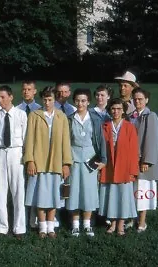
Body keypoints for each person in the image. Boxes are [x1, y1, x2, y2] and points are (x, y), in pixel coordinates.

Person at [24, 86, 72, 238]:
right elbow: (29, 139)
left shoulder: (61, 116)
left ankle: (51, 226)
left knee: (53, 195)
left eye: (50, 99)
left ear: (54, 100)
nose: (47, 102)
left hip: (56, 162)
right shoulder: (34, 115)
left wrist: (66, 163)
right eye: (45, 99)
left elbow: (66, 141)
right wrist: (30, 160)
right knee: (40, 195)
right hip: (39, 162)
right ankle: (42, 226)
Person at [66, 88, 107, 237]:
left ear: (89, 102)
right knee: (74, 191)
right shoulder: (69, 119)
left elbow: (101, 141)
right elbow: (66, 141)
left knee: (89, 192)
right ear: (74, 101)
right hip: (74, 157)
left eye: (83, 101)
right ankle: (75, 224)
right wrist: (66, 161)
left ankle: (87, 224)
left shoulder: (95, 119)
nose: (80, 103)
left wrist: (103, 160)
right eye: (77, 100)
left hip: (91, 158)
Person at [98, 98, 139, 236]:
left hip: (124, 167)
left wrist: (132, 171)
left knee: (123, 195)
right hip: (109, 166)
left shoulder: (129, 127)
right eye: (113, 109)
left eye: (119, 109)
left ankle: (121, 223)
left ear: (123, 111)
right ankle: (113, 222)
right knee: (111, 195)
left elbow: (134, 151)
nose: (116, 112)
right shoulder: (105, 126)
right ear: (109, 110)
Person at [0, 85, 27, 238]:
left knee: (18, 191)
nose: (0, 100)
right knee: (0, 191)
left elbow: (26, 139)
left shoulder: (21, 115)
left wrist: (26, 158)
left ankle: (19, 227)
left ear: (11, 97)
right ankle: (1, 227)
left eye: (3, 97)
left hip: (16, 153)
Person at [128, 88, 158, 233]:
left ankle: (142, 221)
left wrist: (146, 161)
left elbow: (152, 140)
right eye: (135, 99)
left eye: (140, 99)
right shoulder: (131, 116)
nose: (137, 102)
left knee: (142, 190)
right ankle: (131, 218)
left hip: (143, 161)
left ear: (146, 100)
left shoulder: (150, 116)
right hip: (131, 159)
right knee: (131, 190)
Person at [15, 80, 41, 228]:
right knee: (20, 187)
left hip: (35, 153)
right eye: (24, 89)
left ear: (35, 91)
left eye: (29, 89)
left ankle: (34, 220)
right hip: (19, 153)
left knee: (34, 186)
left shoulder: (39, 109)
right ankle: (20, 219)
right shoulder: (17, 110)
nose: (26, 92)